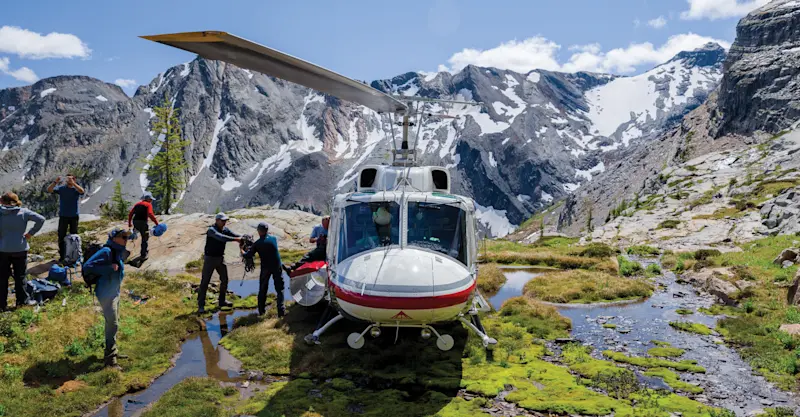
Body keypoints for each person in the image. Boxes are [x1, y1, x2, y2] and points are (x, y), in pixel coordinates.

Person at [83, 227, 131, 368]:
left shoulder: (117, 251)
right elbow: (87, 267)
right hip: (105, 294)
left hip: (113, 292)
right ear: (114, 238)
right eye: (123, 237)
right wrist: (109, 268)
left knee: (113, 323)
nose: (125, 240)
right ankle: (110, 359)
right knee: (113, 323)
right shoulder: (106, 251)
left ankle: (113, 351)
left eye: (127, 237)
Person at [0, 192, 45, 311]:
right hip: (20, 248)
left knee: (2, 277)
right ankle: (22, 301)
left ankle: (1, 304)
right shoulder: (24, 212)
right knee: (20, 276)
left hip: (3, 249)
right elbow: (41, 219)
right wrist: (30, 233)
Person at [197, 213, 241, 314]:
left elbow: (234, 235)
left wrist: (242, 237)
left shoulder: (225, 229)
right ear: (217, 220)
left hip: (220, 258)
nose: (224, 222)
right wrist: (236, 240)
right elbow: (221, 237)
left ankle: (222, 301)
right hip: (210, 259)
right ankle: (201, 306)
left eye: (225, 220)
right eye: (222, 220)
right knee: (205, 282)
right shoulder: (211, 230)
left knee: (224, 279)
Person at [241, 222, 284, 317]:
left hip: (266, 268)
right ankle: (281, 312)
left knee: (263, 289)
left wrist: (242, 250)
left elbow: (248, 255)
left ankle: (261, 312)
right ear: (267, 230)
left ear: (259, 231)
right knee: (280, 289)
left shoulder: (257, 244)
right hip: (277, 266)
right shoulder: (274, 239)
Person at [47, 173, 85, 263]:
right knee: (61, 236)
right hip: (63, 216)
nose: (69, 180)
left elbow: (82, 191)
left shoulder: (75, 190)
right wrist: (55, 181)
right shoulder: (62, 189)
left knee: (74, 236)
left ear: (74, 180)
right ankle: (63, 256)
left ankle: (74, 255)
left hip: (74, 216)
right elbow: (49, 190)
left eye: (71, 179)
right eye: (68, 179)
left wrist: (74, 184)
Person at [128, 192, 159, 259]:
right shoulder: (148, 205)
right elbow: (150, 214)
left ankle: (134, 232)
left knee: (136, 232)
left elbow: (130, 213)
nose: (151, 201)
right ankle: (143, 254)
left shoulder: (137, 204)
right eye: (151, 199)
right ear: (148, 199)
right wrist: (156, 223)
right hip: (143, 222)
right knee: (145, 238)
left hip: (135, 222)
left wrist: (129, 223)